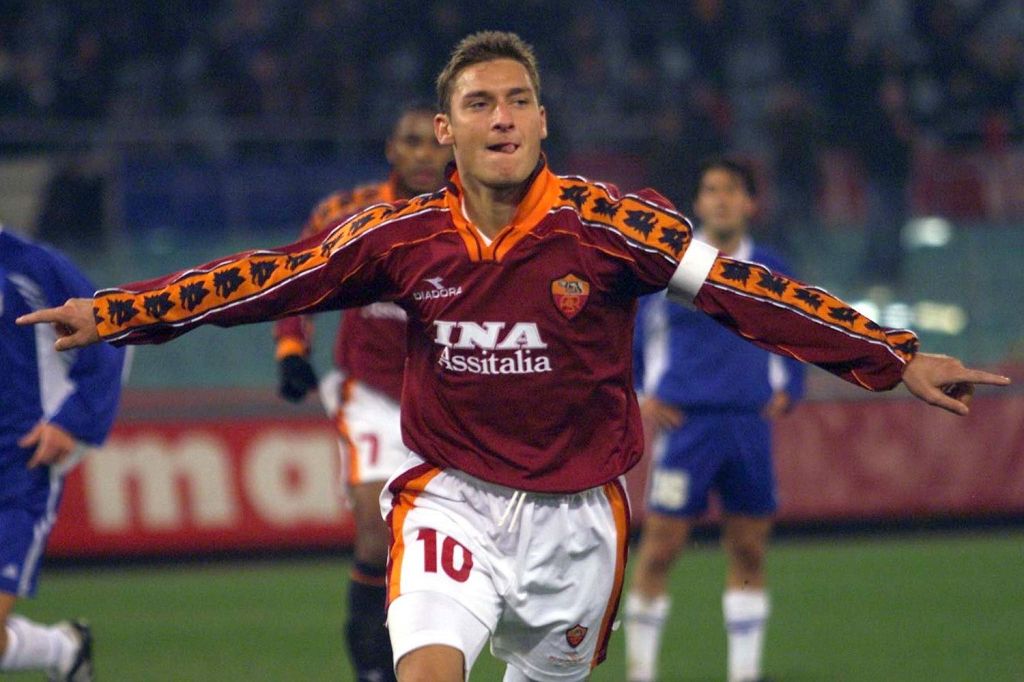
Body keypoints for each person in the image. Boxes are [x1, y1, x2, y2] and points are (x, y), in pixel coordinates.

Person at [17, 31, 1010, 682]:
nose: (502, 115)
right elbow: (269, 277)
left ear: (541, 120)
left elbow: (752, 295)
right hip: (448, 493)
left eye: (518, 100)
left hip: (579, 518)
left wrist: (892, 355)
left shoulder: (615, 226)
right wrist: (119, 310)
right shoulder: (398, 237)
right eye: (481, 102)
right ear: (447, 130)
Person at [273, 101, 450, 682]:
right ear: (391, 151)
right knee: (376, 538)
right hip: (368, 391)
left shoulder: (473, 211)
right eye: (411, 141)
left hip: (445, 396)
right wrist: (292, 349)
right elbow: (293, 278)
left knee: (436, 551)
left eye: (433, 142)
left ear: (451, 146)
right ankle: (373, 674)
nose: (423, 153)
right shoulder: (348, 211)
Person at [624, 158, 805, 682]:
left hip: (748, 423)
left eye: (732, 191)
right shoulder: (678, 265)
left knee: (749, 548)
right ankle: (641, 672)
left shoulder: (770, 269)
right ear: (699, 203)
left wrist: (789, 388)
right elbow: (636, 334)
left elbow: (800, 328)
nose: (721, 199)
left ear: (750, 203)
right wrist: (640, 392)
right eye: (711, 190)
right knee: (660, 549)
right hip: (687, 427)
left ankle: (744, 674)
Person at [1, 227, 126, 682]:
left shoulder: (30, 266)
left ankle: (61, 650)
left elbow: (115, 331)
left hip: (19, 468)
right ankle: (61, 650)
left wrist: (71, 422)